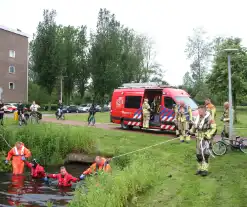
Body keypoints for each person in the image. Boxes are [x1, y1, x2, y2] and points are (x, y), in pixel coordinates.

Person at [194, 105, 217, 176]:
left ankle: (205, 170)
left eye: (200, 111)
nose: (198, 112)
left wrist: (207, 136)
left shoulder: (210, 118)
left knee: (205, 155)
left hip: (206, 140)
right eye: (198, 110)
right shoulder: (197, 118)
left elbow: (214, 129)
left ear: (204, 111)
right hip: (198, 139)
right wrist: (190, 131)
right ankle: (199, 169)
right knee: (198, 155)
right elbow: (194, 126)